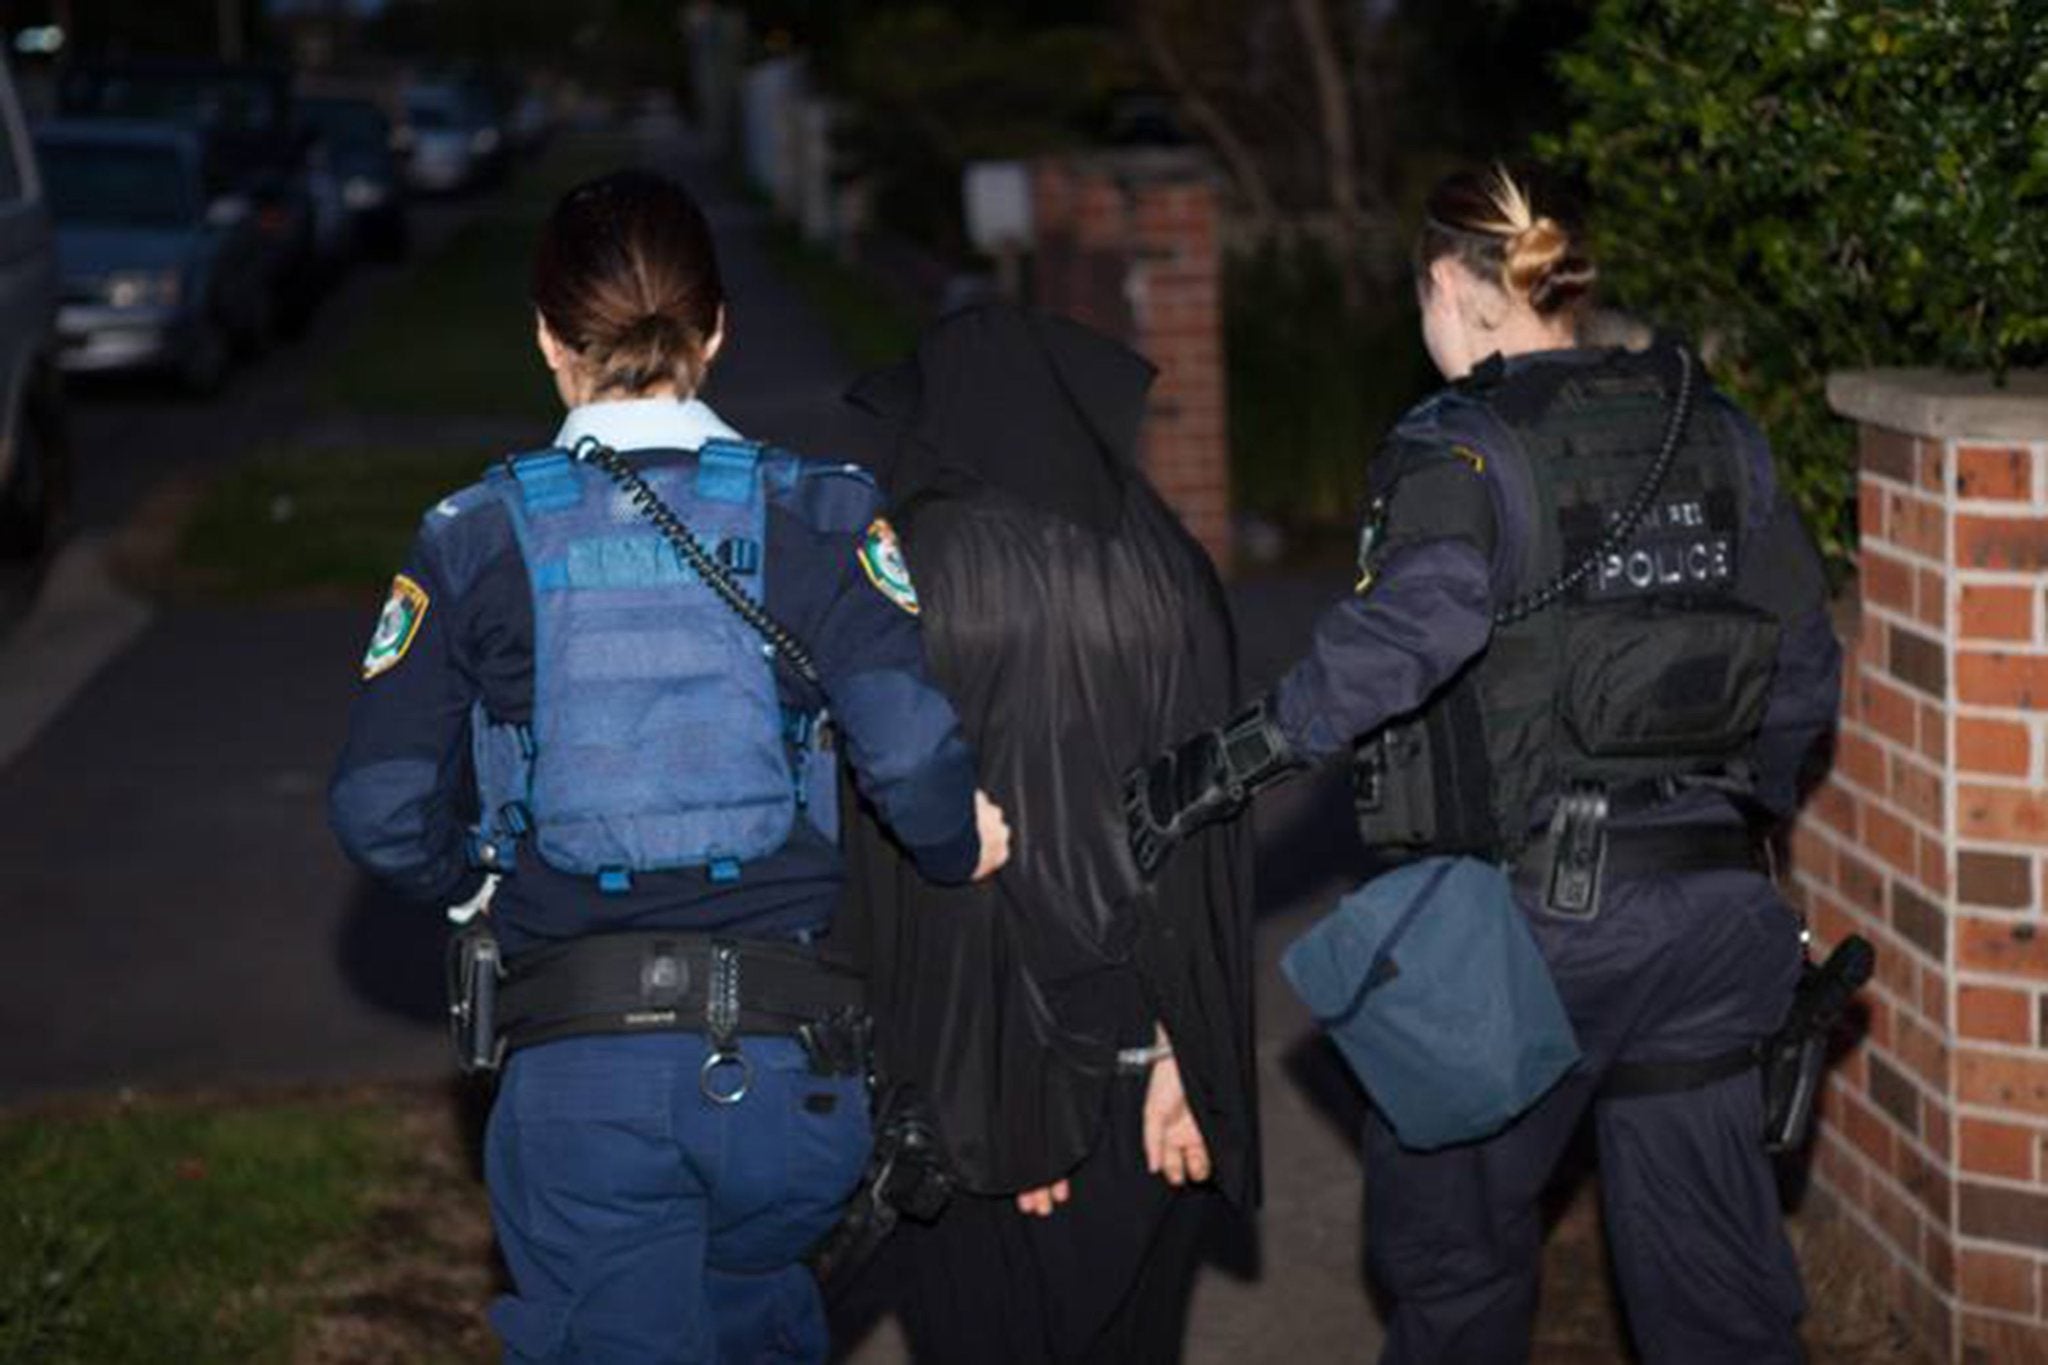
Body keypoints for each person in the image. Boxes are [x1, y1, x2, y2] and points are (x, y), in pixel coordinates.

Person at [1126, 165, 1841, 1364]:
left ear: (1450, 287)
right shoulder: (1712, 425)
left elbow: (1401, 643)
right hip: (1714, 923)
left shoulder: (1462, 449)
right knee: (1717, 1294)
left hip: (1524, 941)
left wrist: (1216, 770)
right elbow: (1805, 670)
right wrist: (1723, 823)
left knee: (1453, 1274)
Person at [327, 169, 1010, 1365]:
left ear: (548, 338)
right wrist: (961, 845)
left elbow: (381, 805)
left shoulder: (474, 537)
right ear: (716, 330)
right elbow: (908, 752)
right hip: (792, 1086)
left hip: (584, 1083)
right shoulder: (824, 515)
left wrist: (472, 879)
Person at [833, 303, 1258, 1363]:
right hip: (1147, 1073)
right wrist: (1188, 1055)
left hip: (981, 1085)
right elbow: (1210, 842)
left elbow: (894, 872)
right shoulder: (1169, 567)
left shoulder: (916, 570)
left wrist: (1005, 1103)